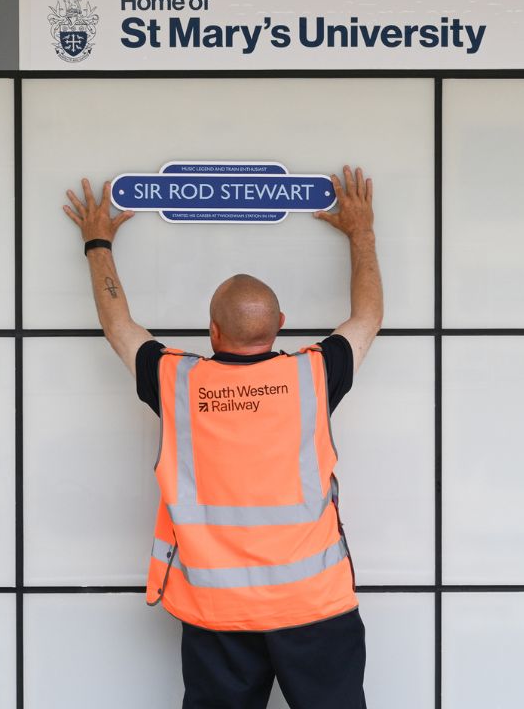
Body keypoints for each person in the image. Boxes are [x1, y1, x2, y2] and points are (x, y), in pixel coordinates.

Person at [63, 164, 383, 709]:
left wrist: (98, 242)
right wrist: (361, 231)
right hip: (314, 607)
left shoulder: (176, 381)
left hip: (219, 613)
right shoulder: (314, 374)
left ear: (212, 330)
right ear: (280, 322)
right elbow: (368, 315)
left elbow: (119, 324)